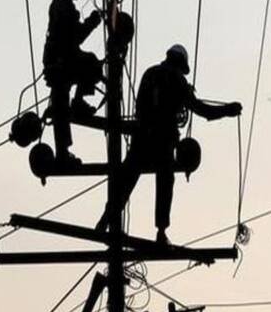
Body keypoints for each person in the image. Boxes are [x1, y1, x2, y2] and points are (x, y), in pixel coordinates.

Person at [96, 44, 241, 244]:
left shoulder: (149, 74)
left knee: (126, 179)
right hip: (163, 141)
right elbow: (201, 110)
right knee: (165, 181)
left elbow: (140, 108)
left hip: (141, 138)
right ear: (180, 64)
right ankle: (161, 232)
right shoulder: (178, 81)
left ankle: (105, 221)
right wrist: (227, 110)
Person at [42, 0, 103, 165]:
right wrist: (92, 23)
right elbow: (74, 38)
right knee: (91, 64)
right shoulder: (64, 7)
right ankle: (62, 154)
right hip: (61, 65)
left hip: (60, 62)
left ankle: (63, 152)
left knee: (60, 109)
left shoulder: (62, 4)